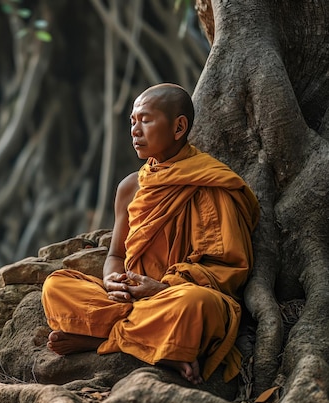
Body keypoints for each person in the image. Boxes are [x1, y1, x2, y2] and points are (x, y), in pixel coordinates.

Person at [41, 83, 260, 385]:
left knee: (196, 305)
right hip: (131, 301)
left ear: (178, 127)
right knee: (56, 285)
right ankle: (158, 345)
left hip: (173, 298)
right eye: (132, 121)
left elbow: (227, 271)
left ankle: (99, 340)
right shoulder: (131, 187)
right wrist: (111, 281)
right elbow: (116, 255)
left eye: (145, 119)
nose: (135, 130)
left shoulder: (212, 184)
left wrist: (160, 289)